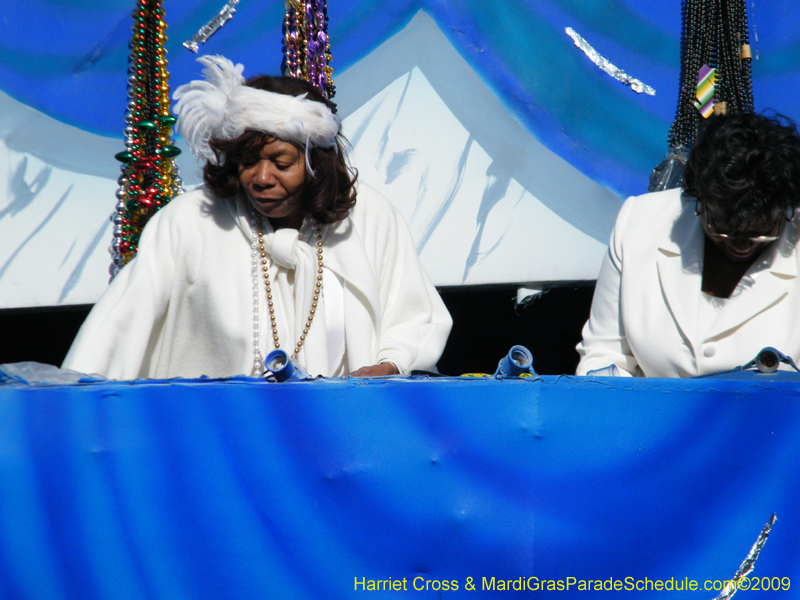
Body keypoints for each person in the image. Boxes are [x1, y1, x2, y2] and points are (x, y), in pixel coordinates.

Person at [63, 55, 452, 380]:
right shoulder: (189, 221)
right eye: (248, 162)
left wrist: (389, 364)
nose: (261, 177)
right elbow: (117, 328)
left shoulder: (368, 216)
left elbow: (415, 317)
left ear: (315, 163)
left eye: (280, 162)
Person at [576, 111, 800, 377]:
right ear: (698, 200)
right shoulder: (640, 223)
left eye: (762, 231)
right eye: (722, 228)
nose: (742, 246)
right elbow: (605, 356)